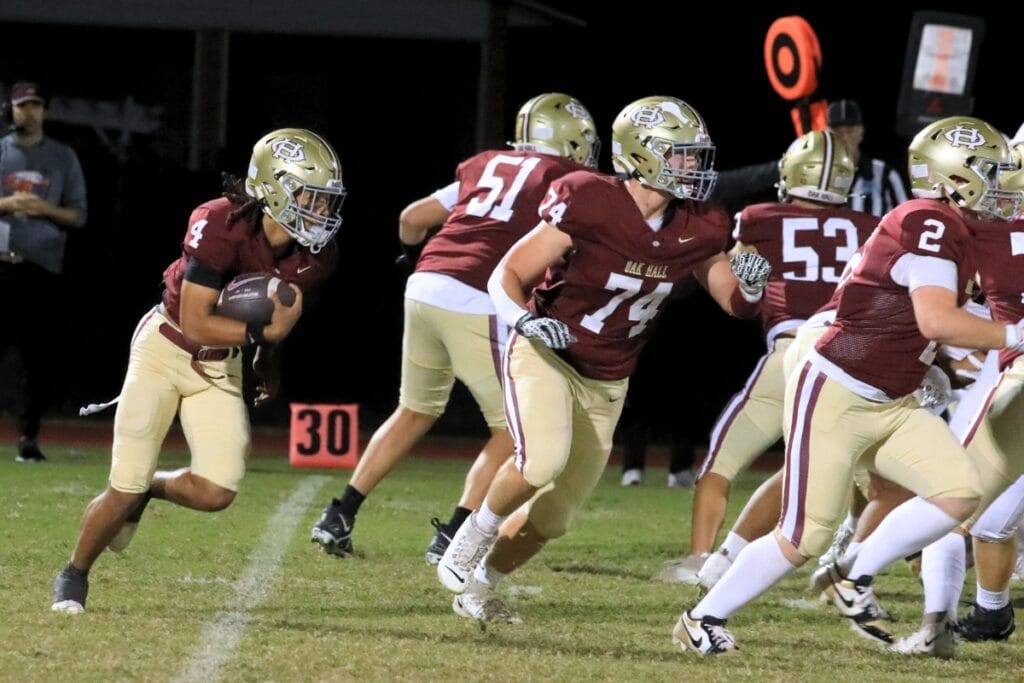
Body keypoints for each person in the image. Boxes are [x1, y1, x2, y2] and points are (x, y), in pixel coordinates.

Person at [675, 115, 1022, 656]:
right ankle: (701, 617)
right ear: (957, 176)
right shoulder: (927, 221)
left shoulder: (958, 228)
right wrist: (1012, 331)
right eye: (992, 171)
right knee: (803, 536)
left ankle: (852, 576)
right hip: (838, 390)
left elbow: (931, 320)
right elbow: (937, 320)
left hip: (893, 396)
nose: (1004, 183)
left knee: (958, 494)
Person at [435, 96, 771, 623]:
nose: (693, 167)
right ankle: (470, 534)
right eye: (680, 155)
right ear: (641, 154)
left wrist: (752, 287)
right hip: (549, 350)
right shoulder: (589, 198)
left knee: (557, 515)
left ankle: (481, 586)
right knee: (541, 459)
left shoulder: (701, 224)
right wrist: (522, 320)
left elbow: (734, 303)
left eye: (693, 156)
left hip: (610, 376)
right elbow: (507, 272)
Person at [51, 128, 345, 613]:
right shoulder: (221, 222)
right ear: (274, 189)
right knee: (122, 485)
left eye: (327, 200)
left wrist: (263, 360)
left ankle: (152, 488)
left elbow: (274, 324)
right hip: (166, 348)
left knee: (216, 490)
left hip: (219, 363)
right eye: (311, 197)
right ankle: (74, 574)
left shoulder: (316, 256)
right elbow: (195, 320)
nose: (322, 212)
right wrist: (259, 339)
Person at [310, 93, 600, 563]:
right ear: (570, 140)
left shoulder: (486, 164)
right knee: (514, 432)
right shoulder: (567, 178)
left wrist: (411, 261)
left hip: (425, 287)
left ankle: (339, 513)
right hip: (479, 294)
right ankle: (454, 534)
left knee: (413, 410)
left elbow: (412, 218)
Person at [661, 130, 878, 584]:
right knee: (864, 467)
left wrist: (748, 279)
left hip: (791, 352)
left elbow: (743, 292)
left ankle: (703, 560)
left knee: (722, 462)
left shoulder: (759, 217)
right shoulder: (866, 227)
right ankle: (852, 551)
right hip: (852, 358)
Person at [0, 81, 87, 462]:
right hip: (1, 264)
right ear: (11, 110)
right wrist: (8, 202)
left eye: (35, 105)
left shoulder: (62, 157)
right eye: (22, 106)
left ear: (45, 111)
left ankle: (27, 439)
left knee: (36, 360)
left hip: (40, 269)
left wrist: (42, 208)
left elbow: (78, 215)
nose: (28, 112)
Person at [827, 98, 909, 217]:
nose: (844, 138)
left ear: (861, 132)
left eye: (849, 131)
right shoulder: (818, 175)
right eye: (837, 132)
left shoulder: (886, 175)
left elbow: (906, 220)